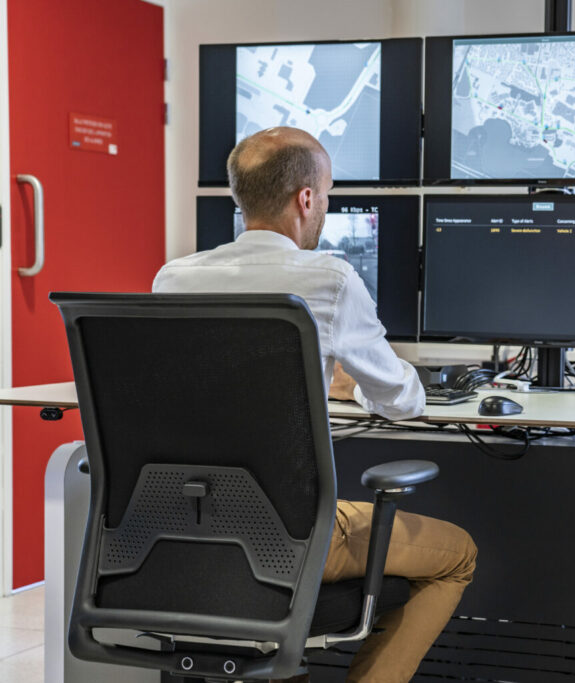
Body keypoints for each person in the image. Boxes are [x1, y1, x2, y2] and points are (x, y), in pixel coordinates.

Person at [153, 127, 477, 683]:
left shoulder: (173, 278)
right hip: (291, 541)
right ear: (306, 198)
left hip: (175, 533)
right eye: (326, 192)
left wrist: (313, 380)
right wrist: (352, 383)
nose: (325, 204)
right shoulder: (329, 278)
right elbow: (402, 402)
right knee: (458, 554)